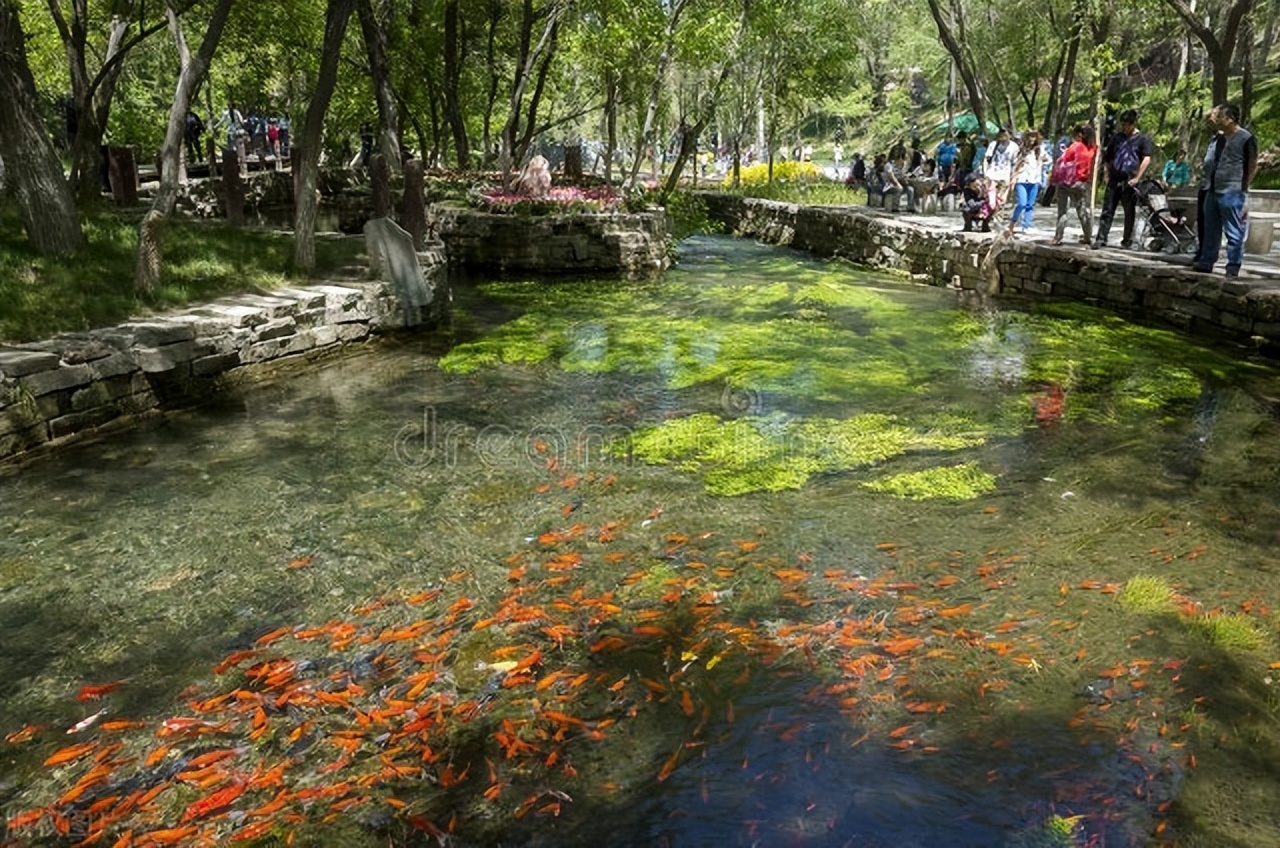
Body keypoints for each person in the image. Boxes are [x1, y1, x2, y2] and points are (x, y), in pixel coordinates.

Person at [1195, 102, 1257, 277]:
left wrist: (1244, 187)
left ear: (1231, 119)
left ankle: (1233, 265)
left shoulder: (1245, 138)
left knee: (1233, 230)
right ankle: (1207, 261)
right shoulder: (1218, 137)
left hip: (1231, 190)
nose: (1216, 119)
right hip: (1211, 188)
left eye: (1220, 116)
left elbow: (1252, 164)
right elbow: (1206, 119)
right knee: (1210, 228)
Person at [1092, 109, 1153, 250]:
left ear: (1133, 124)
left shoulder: (1142, 139)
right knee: (1107, 209)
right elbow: (1108, 157)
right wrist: (1106, 174)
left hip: (1130, 179)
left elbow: (1146, 158)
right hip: (1114, 178)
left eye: (1127, 125)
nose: (1124, 128)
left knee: (1129, 211)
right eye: (1123, 124)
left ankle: (1127, 240)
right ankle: (1101, 238)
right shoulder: (1117, 138)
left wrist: (1138, 177)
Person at [1050, 124, 1097, 246]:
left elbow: (1061, 160)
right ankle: (1087, 236)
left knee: (1063, 211)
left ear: (1080, 135)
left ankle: (1058, 237)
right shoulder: (1093, 148)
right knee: (1082, 210)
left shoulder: (1075, 146)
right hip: (1081, 182)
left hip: (1067, 182)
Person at [1191, 110, 1225, 268]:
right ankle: (1202, 251)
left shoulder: (1225, 139)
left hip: (1216, 185)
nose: (1208, 122)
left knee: (1212, 223)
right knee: (1202, 220)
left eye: (1210, 119)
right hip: (1205, 184)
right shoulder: (1214, 139)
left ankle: (1209, 256)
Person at [1007, 129, 1050, 234]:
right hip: (1021, 179)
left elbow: (1048, 160)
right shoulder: (1020, 150)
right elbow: (1013, 164)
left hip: (1034, 179)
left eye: (1034, 136)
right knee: (1022, 203)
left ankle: (1027, 225)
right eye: (1030, 136)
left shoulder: (1039, 150)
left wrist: (1041, 161)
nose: (1032, 139)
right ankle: (1012, 222)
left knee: (1030, 204)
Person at [982, 128, 1016, 201]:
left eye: (1005, 136)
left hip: (1005, 175)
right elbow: (986, 159)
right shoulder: (993, 144)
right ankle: (991, 209)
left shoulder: (1014, 146)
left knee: (1002, 199)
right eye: (1001, 136)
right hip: (992, 174)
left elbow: (1015, 163)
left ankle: (998, 210)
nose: (1003, 138)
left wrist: (1013, 178)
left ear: (1010, 136)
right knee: (991, 198)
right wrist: (985, 173)